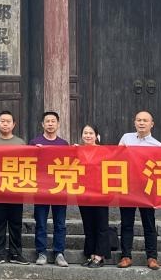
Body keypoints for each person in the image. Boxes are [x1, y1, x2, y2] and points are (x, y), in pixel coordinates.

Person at [117, 110, 161, 270]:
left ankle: (152, 257)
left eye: (145, 120)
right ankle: (126, 256)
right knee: (126, 223)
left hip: (147, 189)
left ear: (152, 124)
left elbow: (160, 171)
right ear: (134, 122)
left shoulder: (157, 146)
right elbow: (116, 159)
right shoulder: (126, 138)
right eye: (139, 120)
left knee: (149, 224)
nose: (141, 123)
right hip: (127, 187)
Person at [0, 110, 29, 265]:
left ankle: (16, 253)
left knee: (16, 223)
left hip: (16, 189)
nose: (5, 124)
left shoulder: (21, 143)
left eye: (8, 121)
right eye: (2, 121)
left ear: (14, 124)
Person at [30, 111, 70, 267]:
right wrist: (35, 152)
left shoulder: (64, 144)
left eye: (53, 121)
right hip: (41, 188)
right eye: (47, 121)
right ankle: (41, 252)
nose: (50, 124)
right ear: (42, 124)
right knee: (41, 222)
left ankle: (59, 252)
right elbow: (28, 164)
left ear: (58, 124)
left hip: (59, 188)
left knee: (60, 223)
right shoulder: (35, 142)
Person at [77, 124, 109, 268]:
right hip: (83, 192)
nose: (88, 136)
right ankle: (91, 254)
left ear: (96, 136)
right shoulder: (77, 151)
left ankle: (99, 256)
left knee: (101, 224)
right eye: (85, 133)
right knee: (88, 225)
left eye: (91, 133)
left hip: (101, 192)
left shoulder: (104, 151)